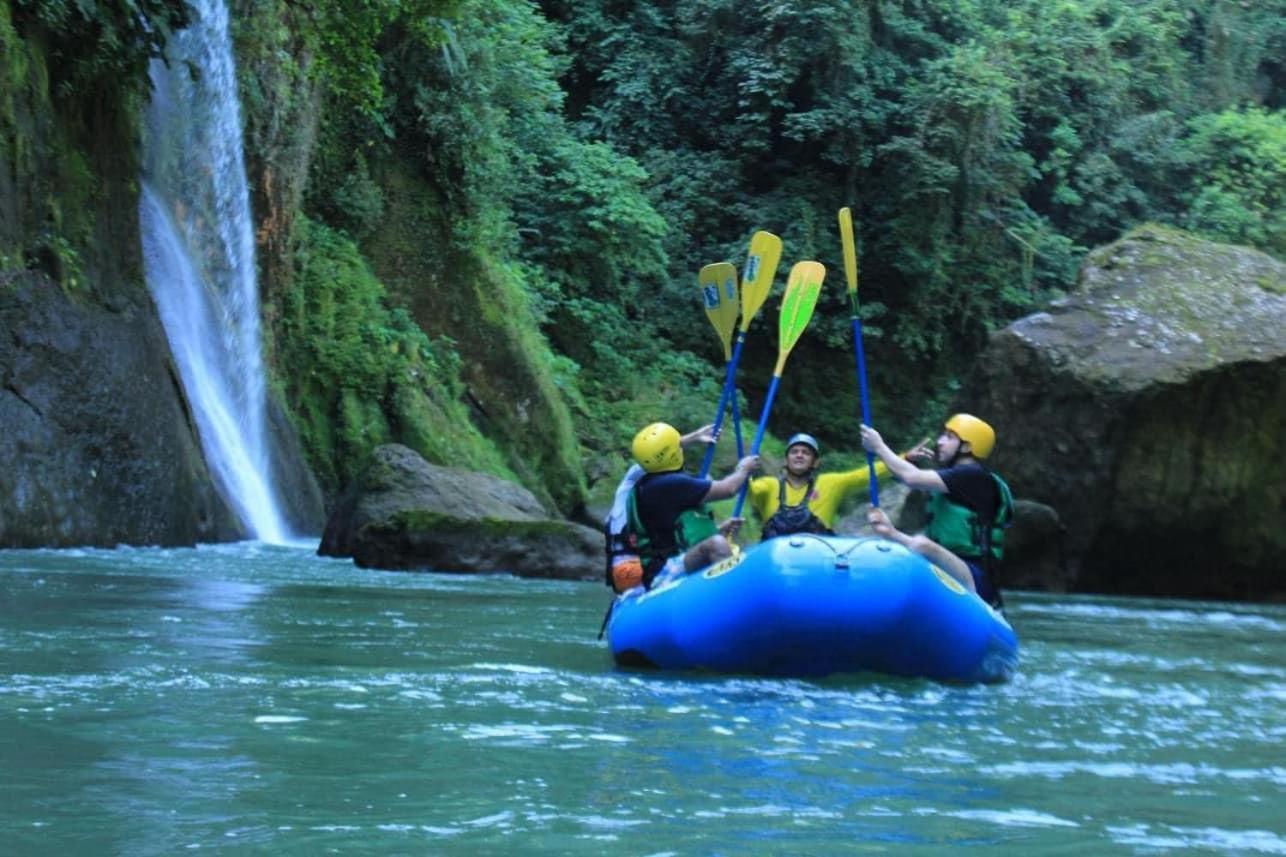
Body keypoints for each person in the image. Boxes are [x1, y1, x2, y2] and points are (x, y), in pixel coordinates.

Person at [859, 414, 1013, 609]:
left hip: (976, 578)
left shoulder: (972, 476)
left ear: (966, 447)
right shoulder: (957, 480)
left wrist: (878, 446)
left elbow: (912, 477)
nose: (940, 441)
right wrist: (889, 533)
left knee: (923, 545)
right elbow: (905, 475)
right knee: (913, 546)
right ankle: (893, 536)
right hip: (948, 568)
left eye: (949, 437)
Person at [618, 421, 759, 591]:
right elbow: (728, 489)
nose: (680, 448)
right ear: (672, 454)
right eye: (677, 446)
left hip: (661, 566)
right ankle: (732, 600)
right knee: (717, 544)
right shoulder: (671, 484)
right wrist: (744, 469)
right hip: (663, 573)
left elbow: (668, 533)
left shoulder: (644, 486)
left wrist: (719, 528)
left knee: (717, 538)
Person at [604, 424, 719, 592]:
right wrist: (693, 437)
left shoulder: (640, 494)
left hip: (627, 570)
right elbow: (653, 457)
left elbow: (655, 456)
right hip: (630, 569)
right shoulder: (632, 487)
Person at [747, 432, 891, 540]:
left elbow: (865, 474)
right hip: (775, 556)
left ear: (815, 463)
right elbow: (745, 490)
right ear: (786, 460)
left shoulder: (829, 483)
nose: (799, 455)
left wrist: (905, 459)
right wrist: (743, 471)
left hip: (817, 557)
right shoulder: (769, 485)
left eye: (806, 453)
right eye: (794, 452)